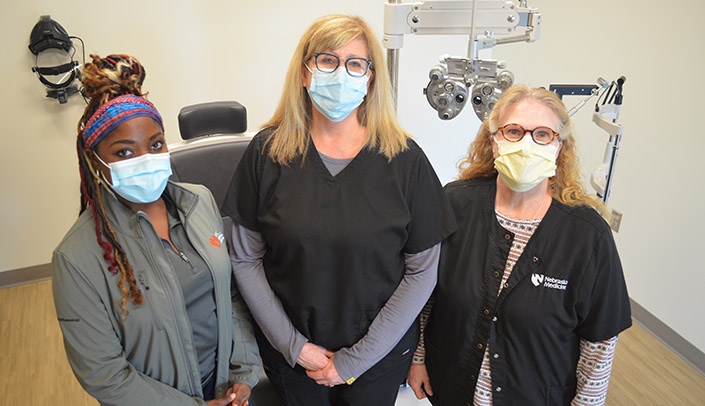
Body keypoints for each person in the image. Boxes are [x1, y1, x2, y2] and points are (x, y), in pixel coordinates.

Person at [222, 14, 457, 406]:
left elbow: (422, 271)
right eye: (327, 60)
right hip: (295, 358)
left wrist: (356, 359)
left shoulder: (404, 160)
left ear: (370, 79)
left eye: (355, 64)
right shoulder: (268, 153)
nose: (341, 73)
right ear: (304, 73)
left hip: (377, 359)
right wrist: (294, 346)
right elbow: (245, 258)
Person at [52, 54, 260, 406]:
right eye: (124, 152)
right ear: (95, 161)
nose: (145, 159)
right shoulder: (76, 259)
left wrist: (243, 373)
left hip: (226, 390)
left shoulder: (199, 203)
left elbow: (229, 296)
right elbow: (103, 373)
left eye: (155, 145)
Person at [407, 85, 631, 405]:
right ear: (494, 141)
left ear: (558, 147)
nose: (526, 144)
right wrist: (418, 359)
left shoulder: (587, 235)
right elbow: (426, 295)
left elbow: (599, 344)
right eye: (513, 131)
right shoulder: (455, 205)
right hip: (452, 387)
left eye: (542, 134)